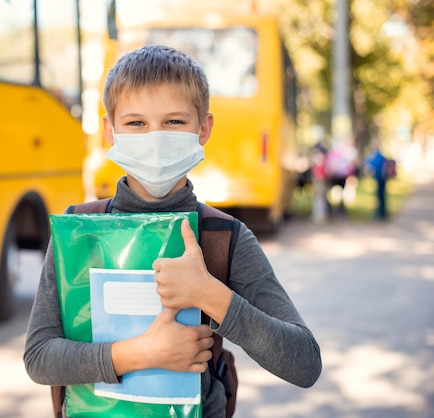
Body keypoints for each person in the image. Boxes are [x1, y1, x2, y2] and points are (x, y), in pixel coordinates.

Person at [24, 45, 322, 417]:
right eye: (136, 123)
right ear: (109, 130)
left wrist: (211, 296)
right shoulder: (79, 230)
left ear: (203, 128)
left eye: (174, 122)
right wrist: (141, 353)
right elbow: (39, 356)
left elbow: (305, 362)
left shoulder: (224, 238)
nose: (155, 138)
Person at [364, 138, 390, 220]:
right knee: (379, 195)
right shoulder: (375, 155)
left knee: (381, 196)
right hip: (379, 177)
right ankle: (381, 212)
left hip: (381, 177)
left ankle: (382, 213)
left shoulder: (379, 155)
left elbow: (375, 164)